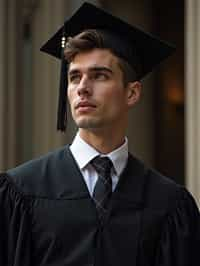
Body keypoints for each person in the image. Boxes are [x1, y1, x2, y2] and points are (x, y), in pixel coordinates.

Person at [0, 2, 199, 266]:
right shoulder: (20, 192)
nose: (82, 88)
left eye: (99, 76)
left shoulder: (170, 205)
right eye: (74, 77)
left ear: (132, 93)